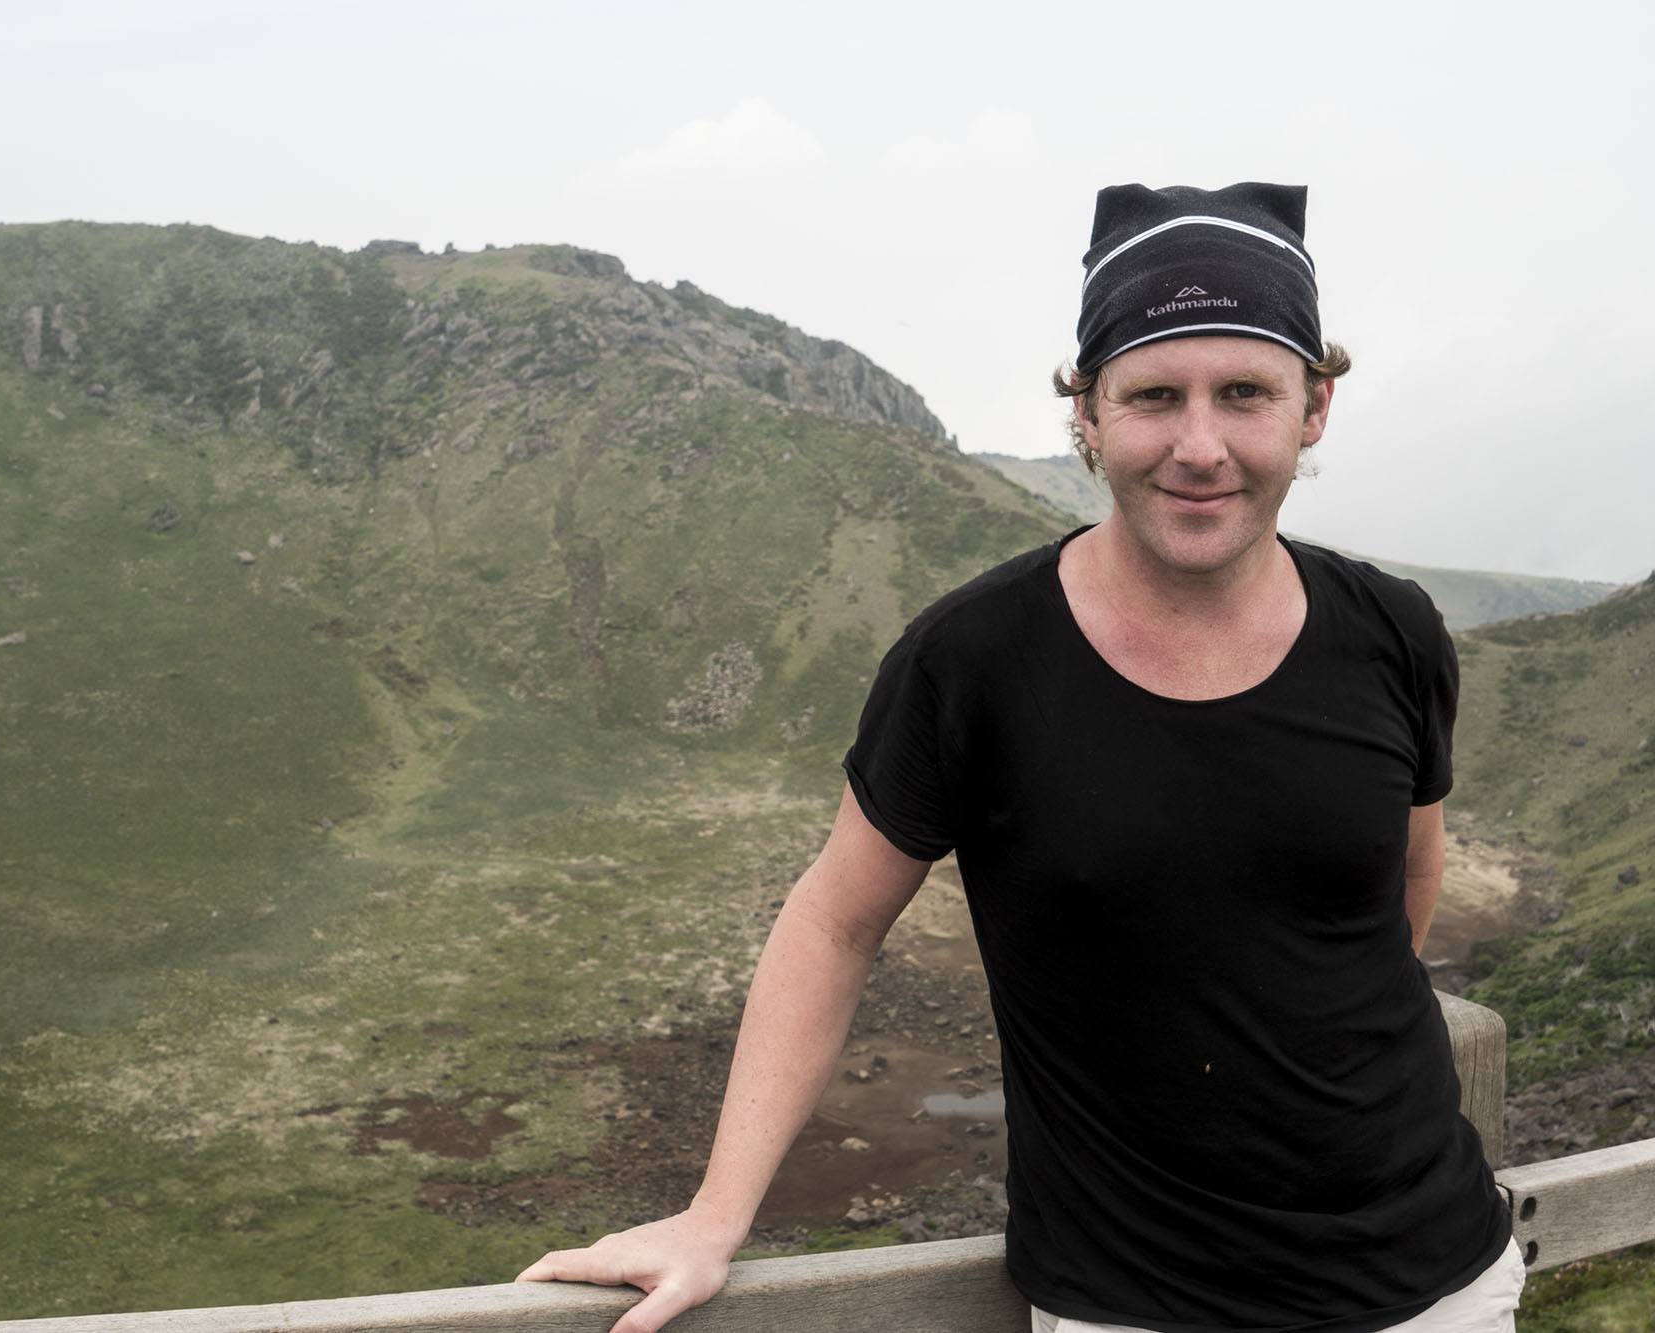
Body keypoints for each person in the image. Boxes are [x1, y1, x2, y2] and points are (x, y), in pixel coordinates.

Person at [519, 183, 1523, 1332]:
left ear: (1313, 407)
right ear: (1087, 414)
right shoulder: (973, 660)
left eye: (1243, 392)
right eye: (1152, 396)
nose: (1198, 446)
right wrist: (714, 1214)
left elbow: (1404, 877)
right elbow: (832, 922)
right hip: (1132, 1305)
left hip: (1432, 1285)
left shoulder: (1389, 630)